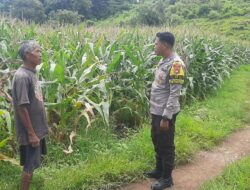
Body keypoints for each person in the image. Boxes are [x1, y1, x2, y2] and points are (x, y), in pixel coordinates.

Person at [145, 32, 186, 190]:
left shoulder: (176, 64)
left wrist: (166, 118)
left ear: (165, 45)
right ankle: (159, 170)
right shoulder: (163, 61)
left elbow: (174, 94)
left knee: (166, 144)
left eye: (156, 44)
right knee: (156, 140)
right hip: (157, 110)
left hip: (165, 113)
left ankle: (167, 178)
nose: (154, 46)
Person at [12, 40, 48, 190]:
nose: (40, 54)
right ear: (27, 55)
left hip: (36, 130)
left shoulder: (31, 73)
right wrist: (32, 134)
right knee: (28, 166)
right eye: (37, 51)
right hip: (30, 132)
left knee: (31, 165)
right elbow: (22, 108)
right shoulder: (22, 77)